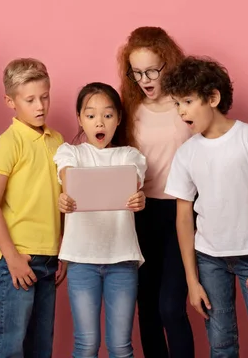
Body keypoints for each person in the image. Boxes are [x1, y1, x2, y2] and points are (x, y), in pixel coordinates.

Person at [163, 56, 248, 357]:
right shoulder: (186, 153)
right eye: (177, 104)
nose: (181, 111)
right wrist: (192, 282)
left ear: (213, 98)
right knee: (221, 346)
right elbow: (183, 218)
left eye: (188, 101)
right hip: (209, 260)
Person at [117, 26, 194, 357]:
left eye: (151, 71)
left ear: (169, 64)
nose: (144, 79)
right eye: (136, 73)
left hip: (182, 211)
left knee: (170, 307)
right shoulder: (130, 109)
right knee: (145, 306)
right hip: (141, 212)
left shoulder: (187, 106)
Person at [55, 82, 147, 358]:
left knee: (121, 346)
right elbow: (66, 175)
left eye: (108, 115)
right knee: (86, 345)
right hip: (82, 261)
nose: (100, 122)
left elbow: (134, 182)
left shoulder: (130, 155)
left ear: (118, 119)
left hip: (122, 260)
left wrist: (138, 198)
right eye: (91, 114)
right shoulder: (70, 152)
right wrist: (65, 195)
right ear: (80, 119)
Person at [0, 58, 65, 358]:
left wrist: (63, 251)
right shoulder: (9, 142)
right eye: (30, 100)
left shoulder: (57, 141)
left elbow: (64, 202)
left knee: (41, 345)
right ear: (10, 101)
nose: (40, 105)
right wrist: (12, 257)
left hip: (49, 258)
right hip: (16, 260)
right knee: (10, 345)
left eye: (45, 96)